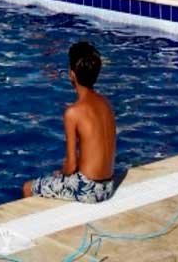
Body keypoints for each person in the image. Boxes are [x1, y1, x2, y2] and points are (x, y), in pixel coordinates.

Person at [22, 41, 116, 203]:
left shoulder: (73, 112)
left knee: (27, 187)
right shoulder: (105, 103)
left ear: (72, 74)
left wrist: (61, 174)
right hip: (108, 185)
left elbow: (71, 165)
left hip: (89, 190)